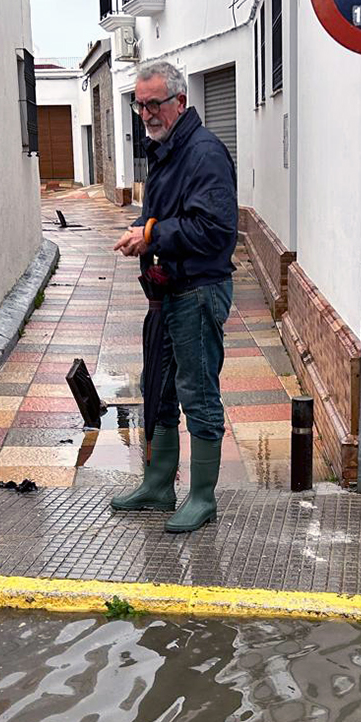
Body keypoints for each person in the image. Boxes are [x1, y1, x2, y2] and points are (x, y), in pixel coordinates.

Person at [110, 61, 238, 534]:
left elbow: (216, 229)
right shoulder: (166, 149)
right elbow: (165, 215)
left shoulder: (203, 153)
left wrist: (150, 235)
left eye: (154, 104)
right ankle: (158, 484)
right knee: (159, 387)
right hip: (166, 294)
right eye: (139, 105)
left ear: (179, 102)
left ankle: (202, 497)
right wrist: (144, 232)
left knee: (198, 393)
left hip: (197, 293)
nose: (146, 114)